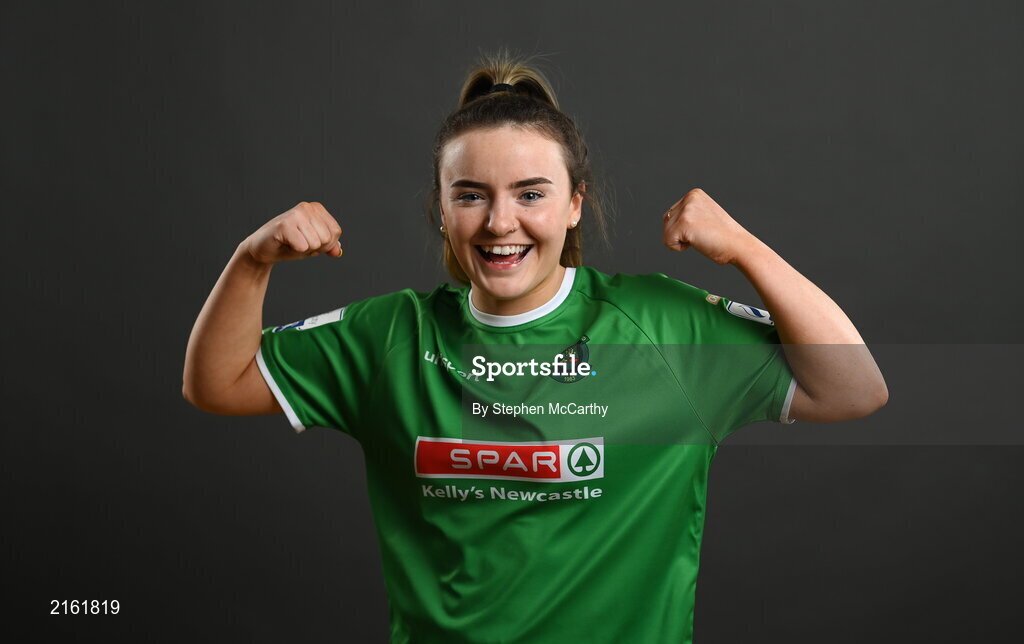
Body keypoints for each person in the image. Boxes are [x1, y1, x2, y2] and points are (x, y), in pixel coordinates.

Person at [183, 51, 887, 643]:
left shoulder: (660, 328)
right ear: (440, 207)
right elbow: (217, 383)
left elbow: (854, 389)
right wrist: (252, 261)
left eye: (530, 193)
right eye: (470, 195)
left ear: (575, 203)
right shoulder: (391, 337)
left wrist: (742, 248)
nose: (499, 223)